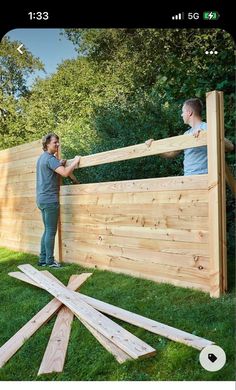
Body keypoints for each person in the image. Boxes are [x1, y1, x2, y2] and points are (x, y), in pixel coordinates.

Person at [145, 98, 234, 175]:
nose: (181, 115)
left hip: (204, 179)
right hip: (188, 179)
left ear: (189, 113)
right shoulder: (186, 134)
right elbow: (170, 154)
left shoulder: (207, 127)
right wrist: (154, 146)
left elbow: (230, 146)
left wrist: (206, 135)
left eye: (183, 112)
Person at [36, 133, 81, 268]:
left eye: (58, 142)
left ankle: (42, 259)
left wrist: (59, 163)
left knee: (46, 230)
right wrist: (76, 161)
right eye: (55, 142)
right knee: (50, 231)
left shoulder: (42, 158)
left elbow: (52, 169)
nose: (58, 144)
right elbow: (65, 173)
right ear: (47, 144)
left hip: (41, 199)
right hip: (50, 200)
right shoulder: (50, 159)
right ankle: (50, 261)